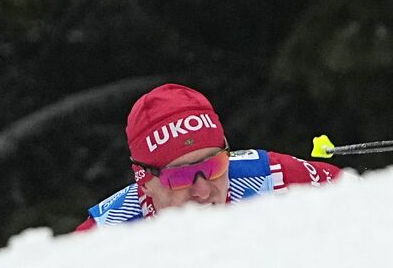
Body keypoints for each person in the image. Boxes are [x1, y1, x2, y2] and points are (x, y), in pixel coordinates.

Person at [75, 83, 341, 231]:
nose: (202, 190)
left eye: (214, 165)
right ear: (143, 180)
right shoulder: (107, 232)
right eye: (180, 176)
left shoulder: (272, 178)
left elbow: (366, 201)